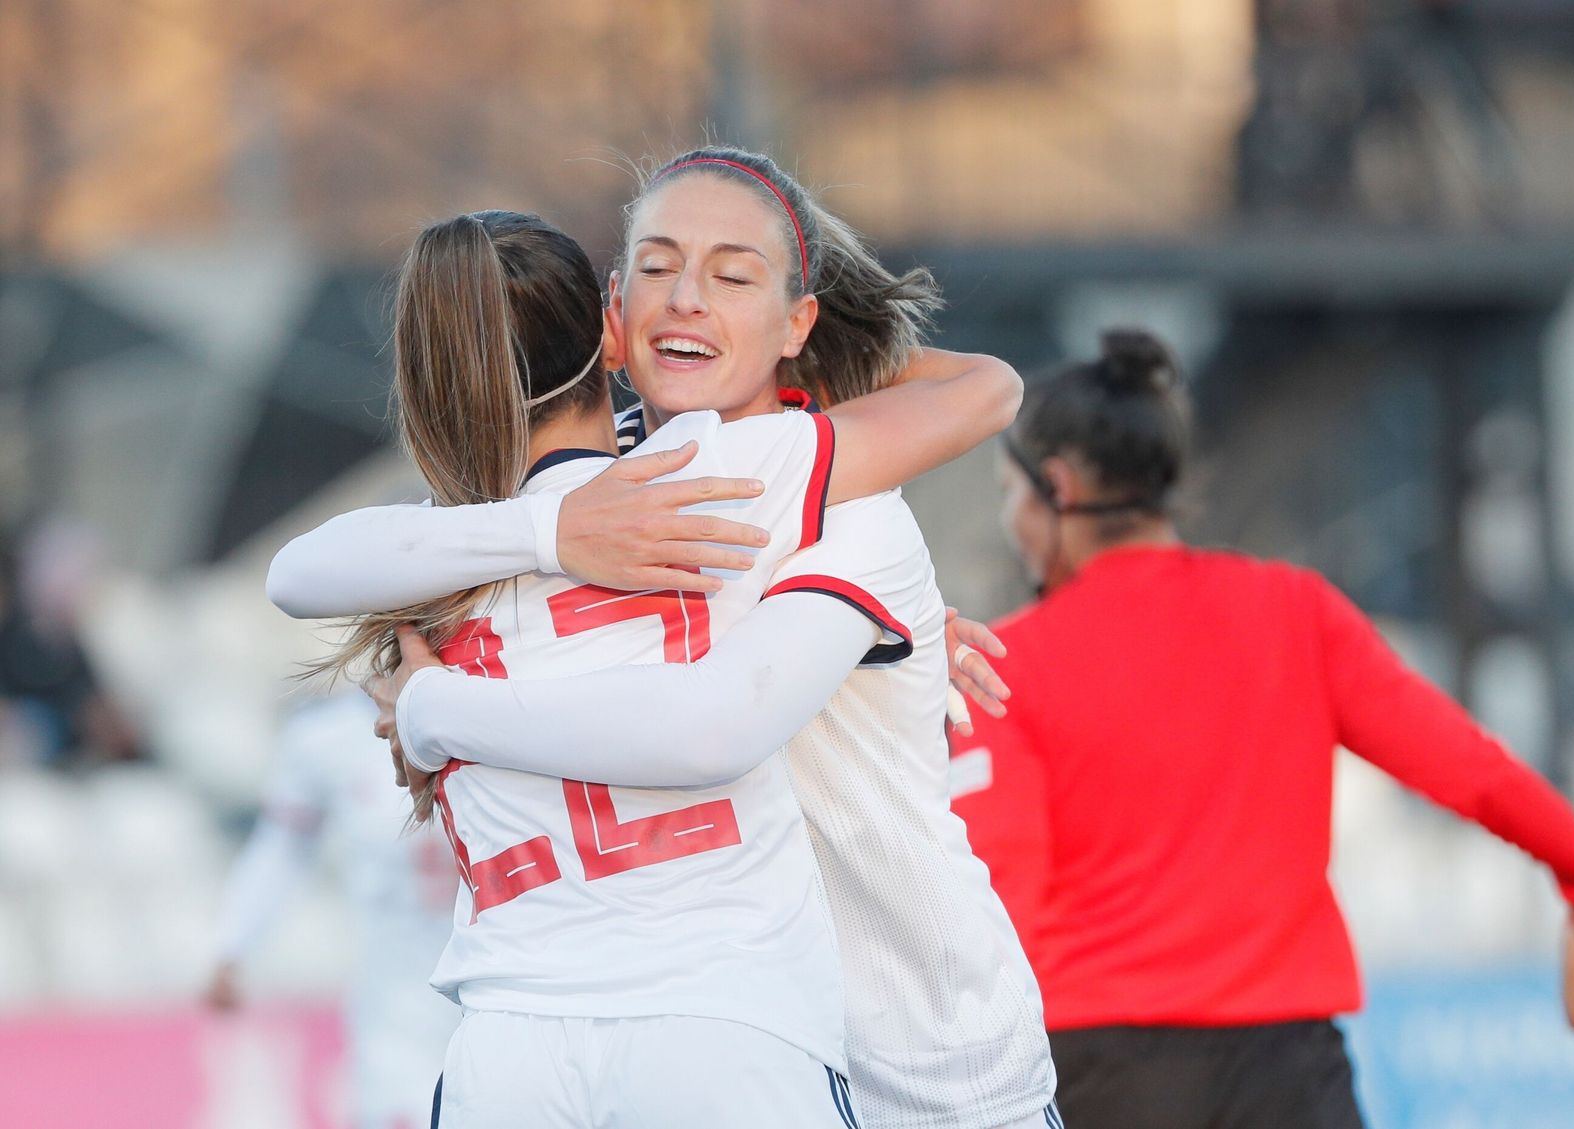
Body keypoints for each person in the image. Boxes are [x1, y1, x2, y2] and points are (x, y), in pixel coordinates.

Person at [273, 146, 1058, 1129]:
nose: (686, 297)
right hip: (737, 1029)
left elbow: (303, 575)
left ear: (795, 319)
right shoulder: (597, 492)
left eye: (732, 277)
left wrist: (436, 707)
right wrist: (551, 533)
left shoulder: (837, 503)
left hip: (922, 1062)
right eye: (656, 267)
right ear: (611, 313)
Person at [946, 328, 1574, 1129]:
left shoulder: (1005, 660)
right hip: (1289, 1069)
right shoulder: (1296, 610)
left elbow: (992, 887)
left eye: (1010, 491)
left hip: (1102, 1071)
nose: (1012, 518)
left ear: (1058, 485)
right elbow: (1470, 767)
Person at [204, 691, 459, 1129]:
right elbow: (283, 845)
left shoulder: (487, 708)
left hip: (498, 978)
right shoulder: (326, 736)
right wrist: (233, 943)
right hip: (397, 999)